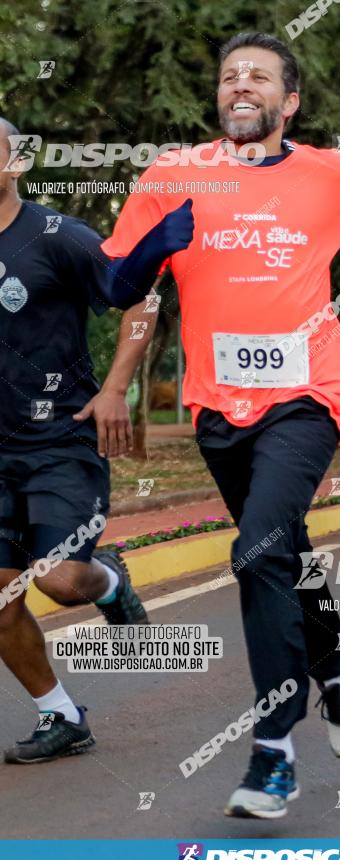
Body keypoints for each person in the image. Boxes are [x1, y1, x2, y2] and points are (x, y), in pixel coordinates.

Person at [100, 32, 340, 819]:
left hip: (307, 394)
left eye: (259, 77)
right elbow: (114, 283)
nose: (240, 86)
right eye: (229, 76)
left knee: (257, 553)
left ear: (290, 102)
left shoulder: (326, 173)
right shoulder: (173, 175)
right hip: (219, 406)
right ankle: (336, 661)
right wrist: (151, 257)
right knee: (282, 552)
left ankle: (273, 749)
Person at [0, 118, 152, 764]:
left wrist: (115, 388)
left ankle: (108, 581)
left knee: (61, 579)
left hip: (61, 442)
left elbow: (140, 299)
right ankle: (61, 716)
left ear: (13, 165)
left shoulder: (57, 238)